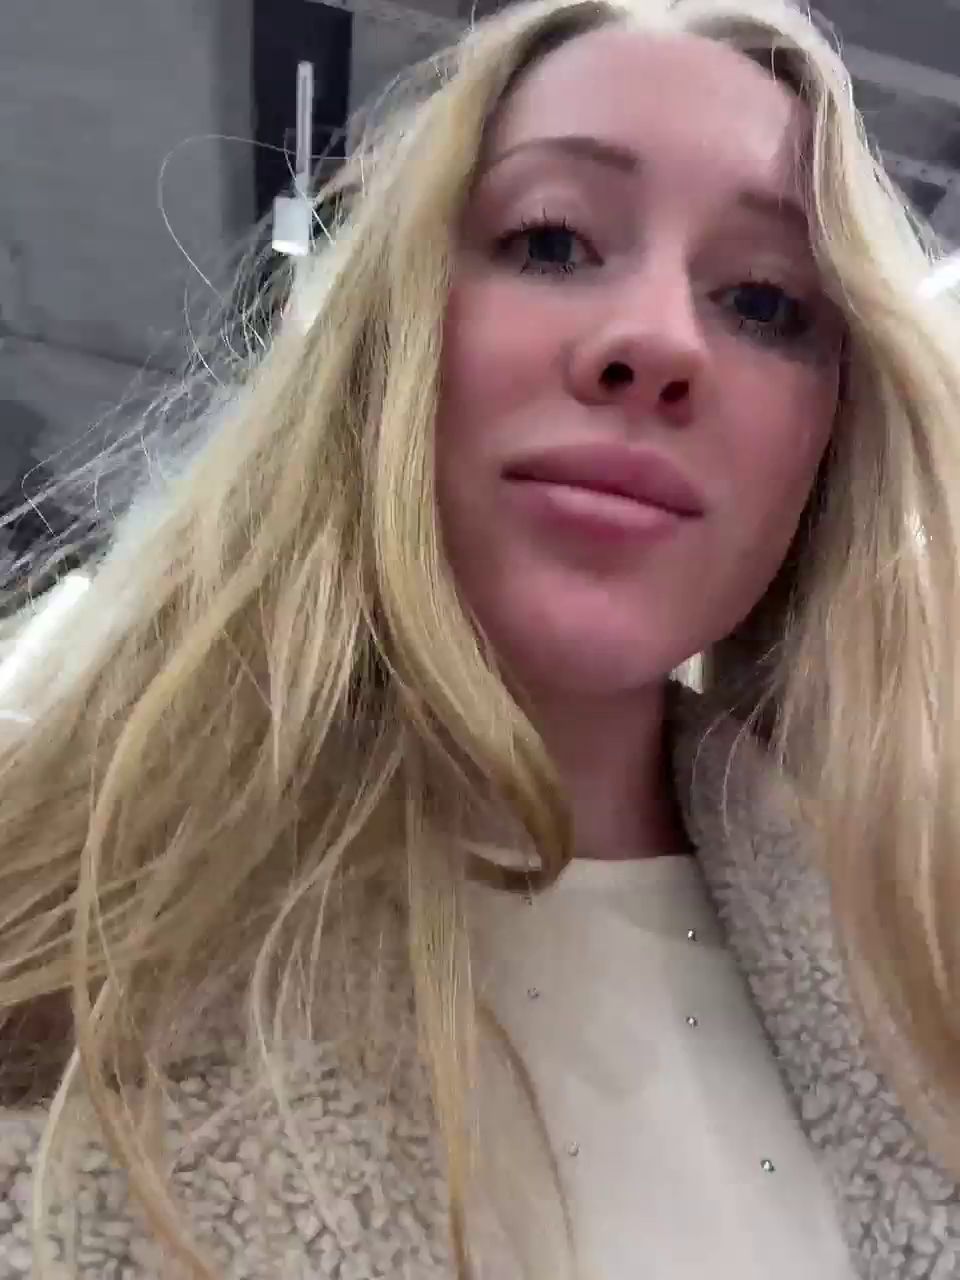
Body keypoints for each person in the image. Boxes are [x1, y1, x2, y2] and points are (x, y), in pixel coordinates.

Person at [0, 0, 959, 1275]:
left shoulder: (921, 969)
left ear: (831, 444)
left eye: (765, 302)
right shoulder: (50, 897)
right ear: (390, 338)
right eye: (551, 239)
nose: (658, 341)